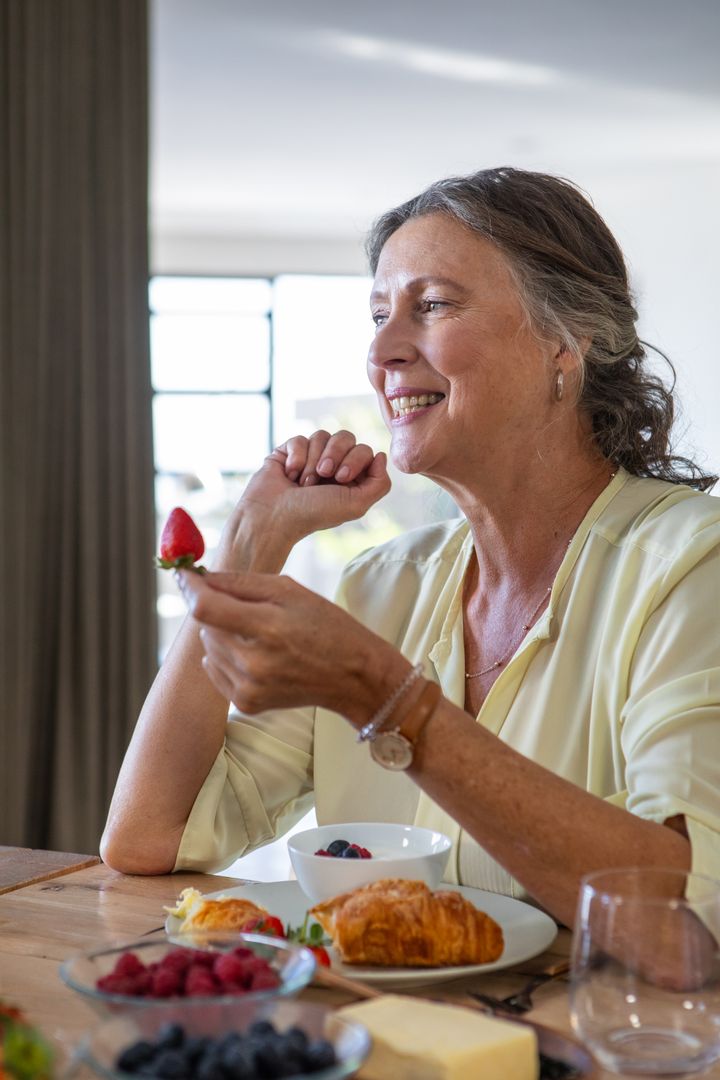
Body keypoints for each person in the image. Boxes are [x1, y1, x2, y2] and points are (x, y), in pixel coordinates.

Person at [101, 167, 720, 930]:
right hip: (385, 1040)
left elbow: (686, 918)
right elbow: (146, 836)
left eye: (431, 306)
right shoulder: (379, 589)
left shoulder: (691, 568)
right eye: (378, 315)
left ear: (568, 340)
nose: (384, 350)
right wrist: (246, 552)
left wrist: (384, 698)